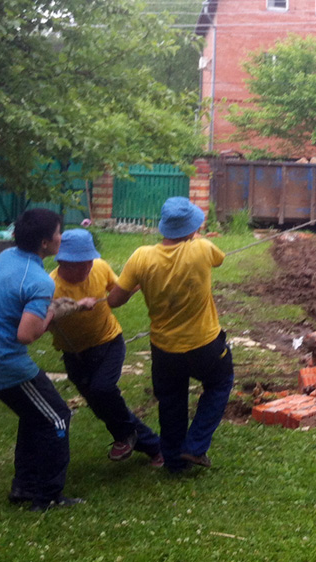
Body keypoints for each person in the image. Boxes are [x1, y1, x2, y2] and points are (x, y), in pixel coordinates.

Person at [0, 209, 91, 511]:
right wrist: (53, 309)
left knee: (36, 416)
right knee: (58, 417)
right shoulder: (38, 280)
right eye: (59, 233)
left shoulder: (5, 258)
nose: (62, 237)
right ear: (45, 242)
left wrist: (55, 308)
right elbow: (27, 334)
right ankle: (47, 496)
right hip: (4, 363)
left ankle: (24, 486)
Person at [108, 197, 232, 474]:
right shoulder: (202, 248)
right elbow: (220, 260)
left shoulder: (141, 257)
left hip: (164, 349)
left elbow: (115, 300)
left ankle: (175, 462)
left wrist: (137, 280)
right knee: (221, 383)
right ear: (192, 228)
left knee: (171, 402)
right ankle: (195, 447)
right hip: (205, 343)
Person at [49, 229, 162, 467]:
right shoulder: (50, 286)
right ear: (62, 261)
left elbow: (118, 291)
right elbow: (41, 323)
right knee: (99, 404)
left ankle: (135, 439)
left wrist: (137, 282)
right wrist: (74, 307)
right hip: (75, 355)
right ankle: (150, 446)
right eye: (80, 265)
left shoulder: (99, 267)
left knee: (102, 390)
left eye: (89, 261)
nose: (87, 268)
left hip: (109, 342)